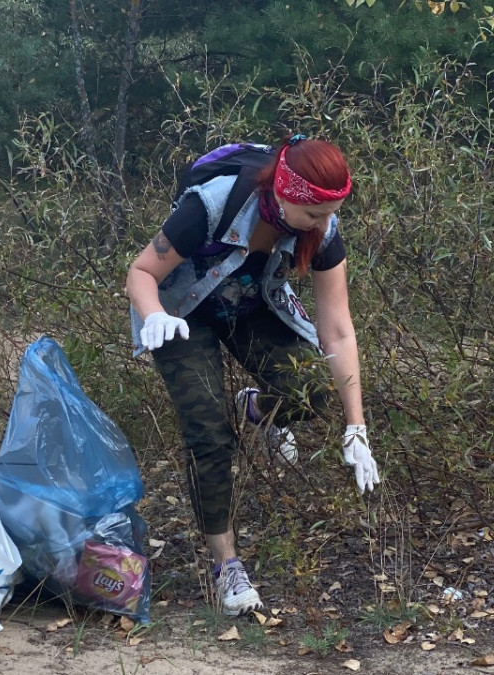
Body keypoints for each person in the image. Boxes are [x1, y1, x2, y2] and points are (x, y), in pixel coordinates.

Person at [124, 134, 380, 617]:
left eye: (331, 213)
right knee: (210, 434)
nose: (323, 226)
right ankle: (227, 565)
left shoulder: (322, 231)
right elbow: (141, 271)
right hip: (182, 312)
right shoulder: (212, 204)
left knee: (312, 389)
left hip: (249, 303)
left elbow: (339, 332)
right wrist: (153, 313)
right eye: (314, 215)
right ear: (283, 195)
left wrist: (356, 426)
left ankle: (256, 408)